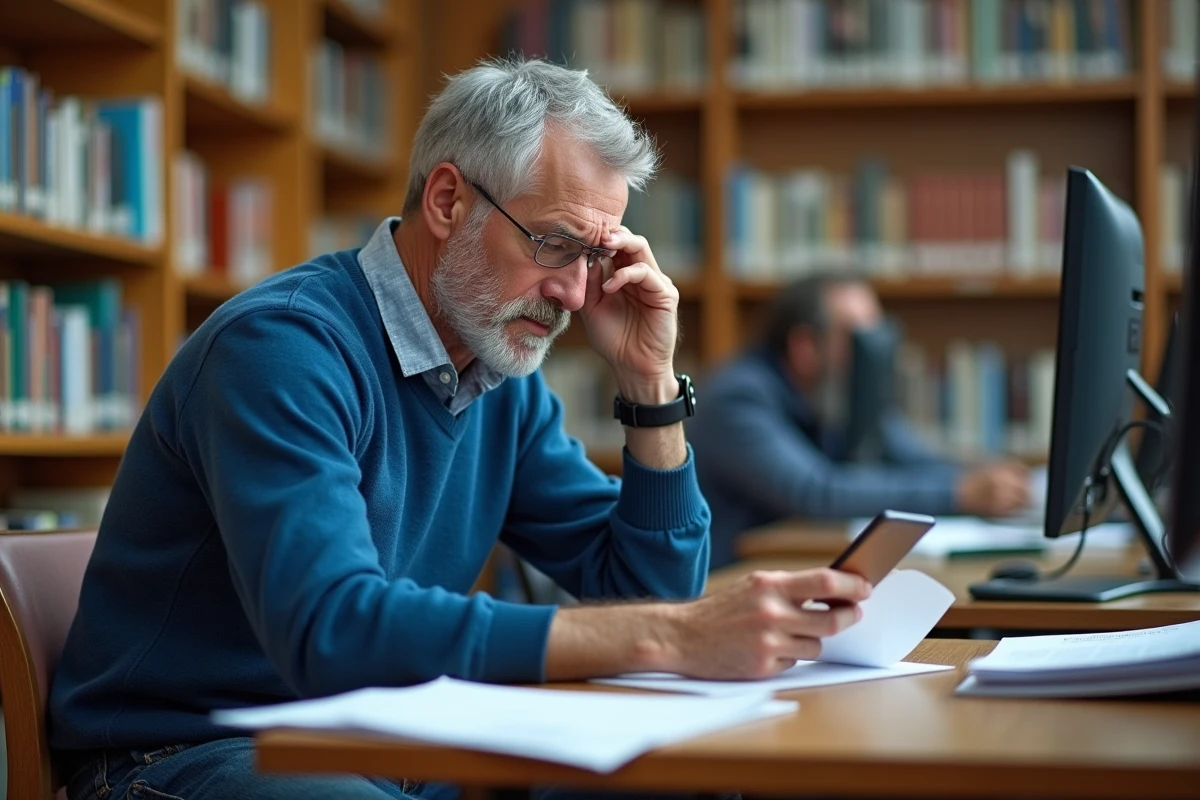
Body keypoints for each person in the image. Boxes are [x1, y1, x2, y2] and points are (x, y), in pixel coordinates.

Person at [48, 59, 871, 800]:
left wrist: (650, 384)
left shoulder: (497, 370)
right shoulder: (282, 349)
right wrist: (673, 634)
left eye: (594, 257)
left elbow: (648, 591)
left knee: (687, 782)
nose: (577, 296)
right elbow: (331, 628)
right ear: (447, 200)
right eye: (555, 245)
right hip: (192, 752)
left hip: (388, 744)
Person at [689, 273, 1031, 569]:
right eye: (859, 340)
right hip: (724, 584)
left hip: (796, 570)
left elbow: (912, 457)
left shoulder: (834, 391)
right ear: (806, 346)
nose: (875, 354)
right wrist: (960, 492)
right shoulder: (738, 398)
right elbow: (817, 492)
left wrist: (984, 479)